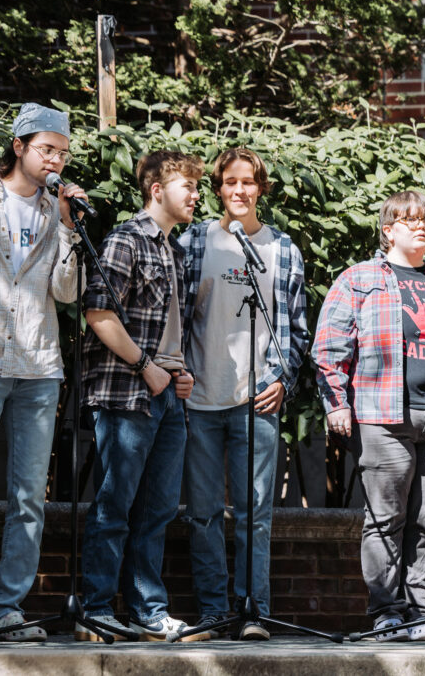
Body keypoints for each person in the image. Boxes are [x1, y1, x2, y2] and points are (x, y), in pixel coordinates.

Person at [0, 103, 89, 642]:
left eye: (64, 153)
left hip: (38, 367)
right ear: (19, 145)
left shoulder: (57, 213)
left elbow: (67, 294)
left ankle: (7, 608)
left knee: (30, 494)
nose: (56, 160)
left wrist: (71, 230)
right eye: (47, 149)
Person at [179, 148, 308, 641]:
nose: (240, 191)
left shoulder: (282, 249)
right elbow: (176, 316)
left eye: (248, 182)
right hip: (201, 398)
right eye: (230, 182)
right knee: (204, 514)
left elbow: (296, 328)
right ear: (218, 188)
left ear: (261, 187)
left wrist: (281, 379)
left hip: (257, 400)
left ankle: (253, 610)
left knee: (255, 514)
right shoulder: (194, 241)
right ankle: (214, 611)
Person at [78, 150, 201, 642]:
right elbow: (98, 313)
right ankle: (97, 610)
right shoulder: (125, 241)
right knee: (115, 505)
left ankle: (149, 611)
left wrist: (178, 371)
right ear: (157, 190)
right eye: (187, 186)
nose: (196, 195)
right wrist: (146, 367)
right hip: (127, 394)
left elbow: (169, 331)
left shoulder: (176, 250)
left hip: (168, 393)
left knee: (157, 510)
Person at [313, 190, 425, 642]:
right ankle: (387, 613)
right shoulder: (360, 278)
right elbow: (329, 348)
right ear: (388, 229)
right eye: (409, 220)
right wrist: (336, 405)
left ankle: (420, 612)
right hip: (382, 413)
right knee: (386, 518)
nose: (421, 227)